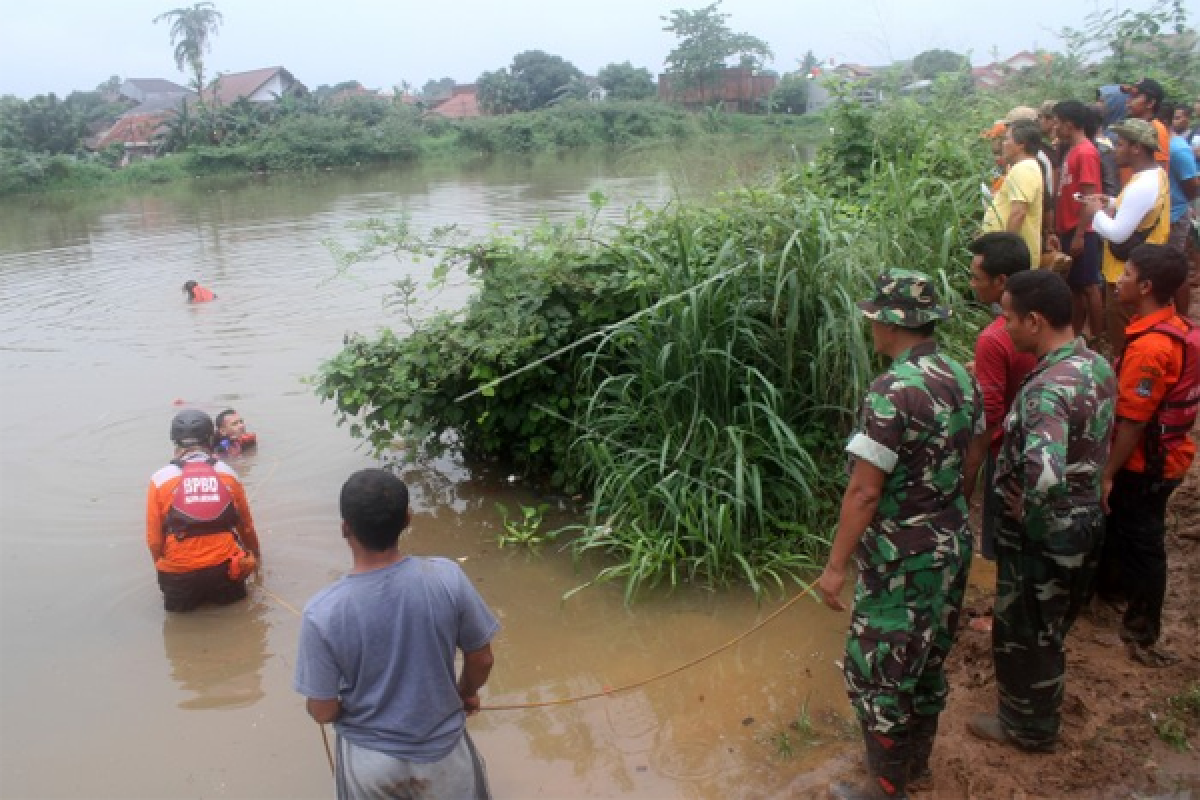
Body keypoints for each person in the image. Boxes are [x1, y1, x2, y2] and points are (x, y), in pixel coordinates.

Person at [816, 269, 988, 799]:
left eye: (875, 317)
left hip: (901, 560)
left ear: (891, 323)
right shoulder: (962, 376)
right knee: (930, 658)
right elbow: (975, 451)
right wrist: (945, 504)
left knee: (880, 676)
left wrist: (835, 567)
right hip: (951, 544)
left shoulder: (891, 391)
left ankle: (886, 789)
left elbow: (865, 492)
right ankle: (916, 767)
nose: (871, 325)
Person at [968, 270, 1115, 753]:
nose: (1003, 326)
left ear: (1034, 320)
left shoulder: (1045, 388)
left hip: (1046, 531)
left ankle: (1028, 729)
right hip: (1086, 517)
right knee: (1049, 627)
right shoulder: (1095, 365)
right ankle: (1037, 717)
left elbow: (1046, 474)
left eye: (1008, 317)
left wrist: (1029, 517)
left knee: (1027, 633)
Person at [295, 469, 499, 800]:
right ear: (407, 519)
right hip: (444, 752)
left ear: (345, 527)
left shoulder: (323, 612)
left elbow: (322, 710)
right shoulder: (447, 578)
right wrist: (465, 692)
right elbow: (482, 658)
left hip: (370, 763)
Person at [1098, 245, 1197, 667]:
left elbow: (1134, 422)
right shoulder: (1171, 328)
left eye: (1128, 273)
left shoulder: (1152, 348)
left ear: (1147, 286)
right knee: (1124, 527)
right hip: (1162, 456)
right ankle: (1113, 592)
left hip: (1147, 463)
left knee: (1143, 539)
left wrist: (1107, 473)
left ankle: (1142, 630)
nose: (1119, 278)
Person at [967, 233, 1038, 565]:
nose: (971, 285)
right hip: (1039, 440)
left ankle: (998, 615)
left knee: (1003, 541)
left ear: (1001, 281)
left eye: (976, 278)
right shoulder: (1045, 313)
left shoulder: (995, 337)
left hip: (1007, 448)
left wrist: (967, 481)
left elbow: (989, 416)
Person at [147, 410, 262, 612]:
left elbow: (154, 539)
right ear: (210, 438)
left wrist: (164, 567)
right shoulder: (228, 473)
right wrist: (257, 558)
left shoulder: (159, 479)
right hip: (226, 570)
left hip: (179, 575)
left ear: (175, 442)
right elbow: (246, 527)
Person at [1082, 119, 1171, 355]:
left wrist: (1095, 213)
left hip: (1126, 275)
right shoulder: (1154, 175)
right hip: (1143, 270)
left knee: (1126, 343)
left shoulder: (1142, 184)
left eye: (1120, 144)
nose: (1115, 149)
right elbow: (1140, 211)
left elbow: (1118, 234)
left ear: (1137, 148)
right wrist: (1111, 202)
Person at [1050, 101, 1106, 338]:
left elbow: (1089, 194)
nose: (1055, 127)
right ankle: (1077, 334)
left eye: (1058, 122)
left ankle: (1097, 337)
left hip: (1082, 228)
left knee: (1089, 286)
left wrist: (1081, 234)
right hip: (1069, 227)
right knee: (1075, 286)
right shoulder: (1072, 150)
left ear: (1069, 124)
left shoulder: (1085, 152)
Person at [984, 120, 1045, 270]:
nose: (1003, 144)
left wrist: (1007, 251)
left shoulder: (1024, 169)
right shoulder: (1023, 168)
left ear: (1021, 144)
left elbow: (1018, 213)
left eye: (1007, 139)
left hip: (1013, 257)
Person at [1164, 110, 1199, 314]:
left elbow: (1192, 185)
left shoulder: (1177, 149)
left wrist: (1180, 206)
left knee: (1176, 268)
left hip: (1175, 215)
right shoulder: (1164, 146)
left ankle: (1183, 319)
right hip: (1166, 215)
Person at [1121, 79, 1171, 169]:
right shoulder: (1129, 126)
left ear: (1150, 103)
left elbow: (1159, 172)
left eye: (1134, 96)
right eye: (1129, 96)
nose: (1128, 101)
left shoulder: (1157, 130)